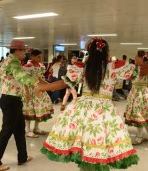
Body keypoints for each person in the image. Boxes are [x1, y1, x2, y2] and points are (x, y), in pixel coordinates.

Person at [36, 38, 139, 171]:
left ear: (89, 53)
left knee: (84, 144)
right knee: (99, 143)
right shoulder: (113, 67)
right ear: (106, 52)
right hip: (104, 110)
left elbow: (63, 83)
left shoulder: (83, 68)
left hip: (83, 109)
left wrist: (41, 88)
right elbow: (139, 72)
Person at [0, 40, 37, 171]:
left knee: (19, 129)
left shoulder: (8, 61)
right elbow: (19, 75)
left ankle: (23, 157)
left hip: (12, 99)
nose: (25, 54)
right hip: (10, 100)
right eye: (24, 51)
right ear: (18, 51)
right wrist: (35, 83)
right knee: (6, 131)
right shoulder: (13, 61)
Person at [22, 49, 53, 138]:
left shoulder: (39, 66)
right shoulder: (28, 66)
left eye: (40, 57)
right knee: (29, 110)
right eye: (38, 57)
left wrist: (49, 85)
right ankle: (27, 130)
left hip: (39, 89)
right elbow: (24, 80)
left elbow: (39, 79)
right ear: (32, 56)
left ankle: (36, 128)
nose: (40, 58)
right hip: (30, 90)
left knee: (39, 109)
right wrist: (27, 92)